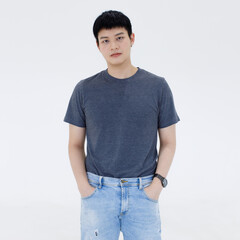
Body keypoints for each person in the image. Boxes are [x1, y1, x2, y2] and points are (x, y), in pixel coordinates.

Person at [63, 10, 180, 240]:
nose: (113, 46)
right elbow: (75, 144)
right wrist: (85, 189)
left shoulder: (157, 87)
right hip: (98, 192)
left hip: (143, 193)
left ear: (132, 39)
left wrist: (157, 185)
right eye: (105, 41)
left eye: (119, 37)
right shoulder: (84, 90)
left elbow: (169, 142)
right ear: (98, 46)